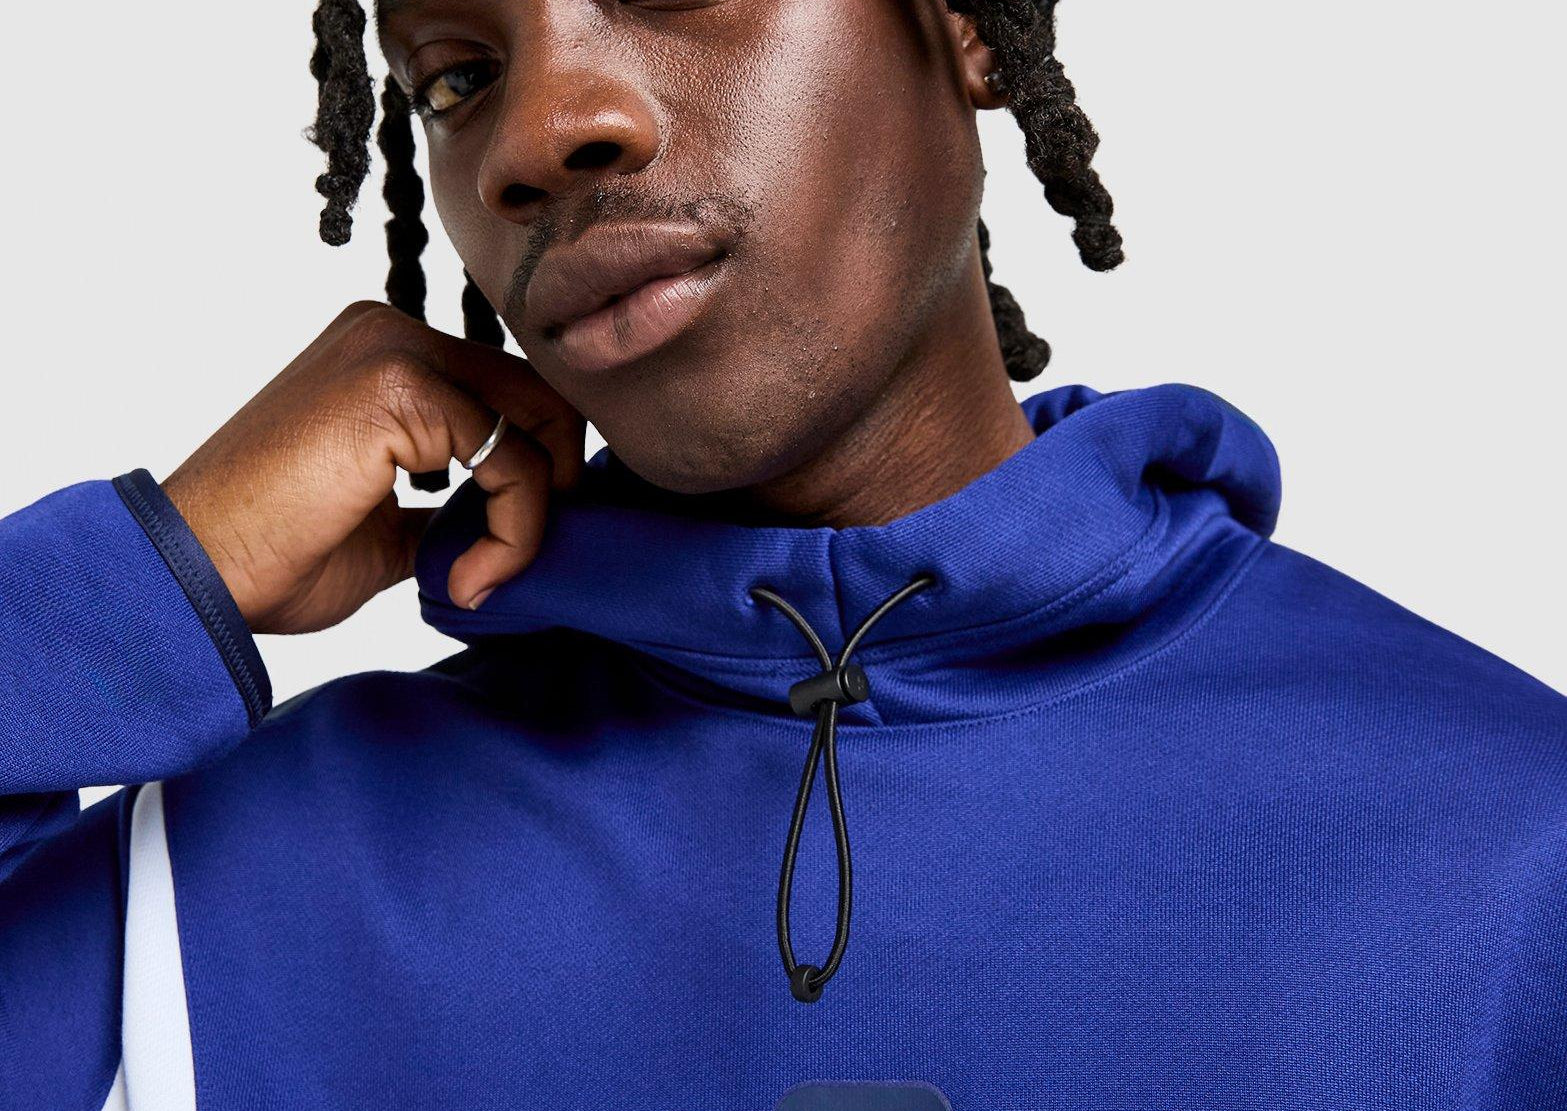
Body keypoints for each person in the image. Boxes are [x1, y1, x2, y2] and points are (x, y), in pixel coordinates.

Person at [1, 0, 1562, 1107]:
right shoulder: (218, 899)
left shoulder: (1510, 847)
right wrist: (144, 579)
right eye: (459, 75)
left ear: (964, 24)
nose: (539, 135)